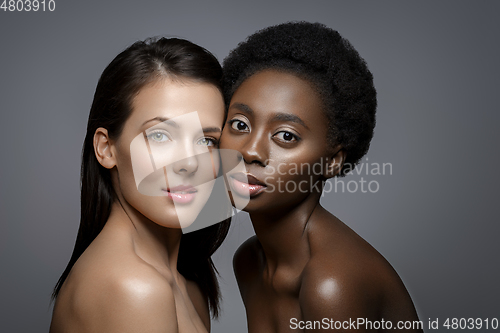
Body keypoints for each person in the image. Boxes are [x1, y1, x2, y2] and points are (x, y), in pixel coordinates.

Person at [220, 22, 423, 332]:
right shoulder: (248, 262)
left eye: (285, 135)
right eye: (239, 125)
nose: (250, 152)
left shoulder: (332, 283)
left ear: (331, 161)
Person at [50, 37, 231, 333]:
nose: (189, 163)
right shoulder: (133, 288)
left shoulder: (188, 286)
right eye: (160, 135)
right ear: (106, 149)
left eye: (206, 140)